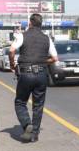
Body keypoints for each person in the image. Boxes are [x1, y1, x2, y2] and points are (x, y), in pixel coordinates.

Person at [9, 13, 58, 143]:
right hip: (41, 75)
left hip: (25, 74)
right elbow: (54, 58)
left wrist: (13, 64)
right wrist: (41, 62)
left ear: (30, 23)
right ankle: (35, 134)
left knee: (20, 102)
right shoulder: (47, 38)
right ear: (40, 24)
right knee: (38, 106)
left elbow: (12, 50)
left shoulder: (22, 35)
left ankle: (26, 124)